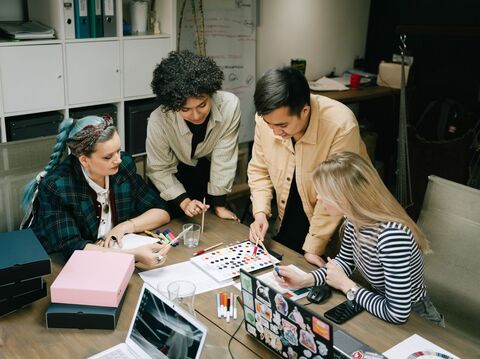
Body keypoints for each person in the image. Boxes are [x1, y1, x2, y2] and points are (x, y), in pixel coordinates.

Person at [275, 152, 444, 326]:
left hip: (418, 321)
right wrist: (304, 280)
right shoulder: (353, 220)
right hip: (377, 304)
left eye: (323, 192)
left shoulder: (392, 236)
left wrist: (347, 286)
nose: (318, 197)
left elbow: (398, 313)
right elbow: (345, 262)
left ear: (345, 197)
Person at [248, 67, 369, 267]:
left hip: (333, 226)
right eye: (270, 125)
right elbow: (259, 170)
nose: (276, 132)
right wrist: (260, 213)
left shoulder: (340, 125)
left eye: (283, 126)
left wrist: (314, 246)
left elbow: (336, 193)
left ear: (305, 111)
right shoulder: (267, 121)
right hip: (287, 215)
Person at [21, 115, 171, 268]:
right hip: (58, 266)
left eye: (118, 151)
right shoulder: (57, 186)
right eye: (108, 157)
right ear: (84, 160)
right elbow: (72, 248)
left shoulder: (123, 167)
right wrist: (134, 254)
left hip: (109, 257)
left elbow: (161, 211)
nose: (118, 159)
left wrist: (123, 227)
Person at [147, 50, 241, 221]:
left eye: (202, 105)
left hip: (206, 171)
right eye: (185, 110)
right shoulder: (159, 119)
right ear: (173, 106)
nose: (196, 116)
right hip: (171, 176)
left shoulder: (229, 105)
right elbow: (159, 168)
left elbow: (224, 158)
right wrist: (183, 201)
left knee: (209, 224)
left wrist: (219, 205)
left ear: (211, 93)